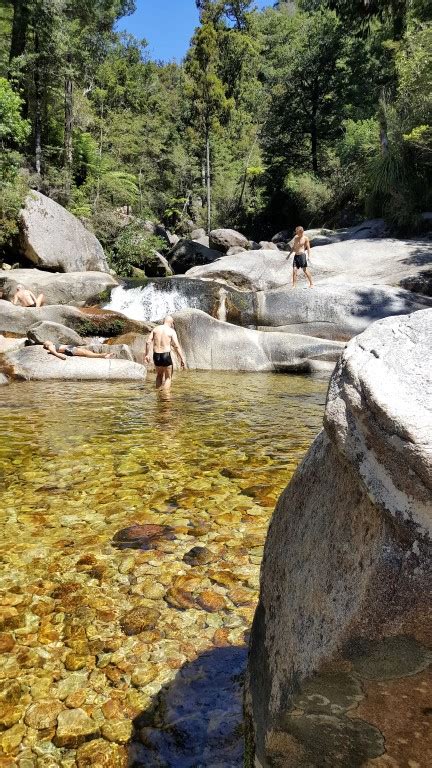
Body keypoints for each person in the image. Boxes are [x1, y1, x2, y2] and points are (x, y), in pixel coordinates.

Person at [144, 315, 186, 390]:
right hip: (165, 355)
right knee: (168, 378)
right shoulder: (171, 331)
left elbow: (148, 342)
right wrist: (182, 358)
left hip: (156, 355)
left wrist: (147, 354)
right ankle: (165, 398)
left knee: (159, 375)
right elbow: (176, 346)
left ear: (164, 321)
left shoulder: (156, 329)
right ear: (172, 323)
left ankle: (158, 395)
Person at [42, 341, 113, 360]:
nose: (50, 341)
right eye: (48, 341)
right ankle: (103, 355)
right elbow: (54, 352)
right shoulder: (50, 346)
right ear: (46, 344)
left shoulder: (52, 345)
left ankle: (103, 355)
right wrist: (60, 356)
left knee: (87, 352)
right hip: (69, 349)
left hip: (70, 348)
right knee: (86, 353)